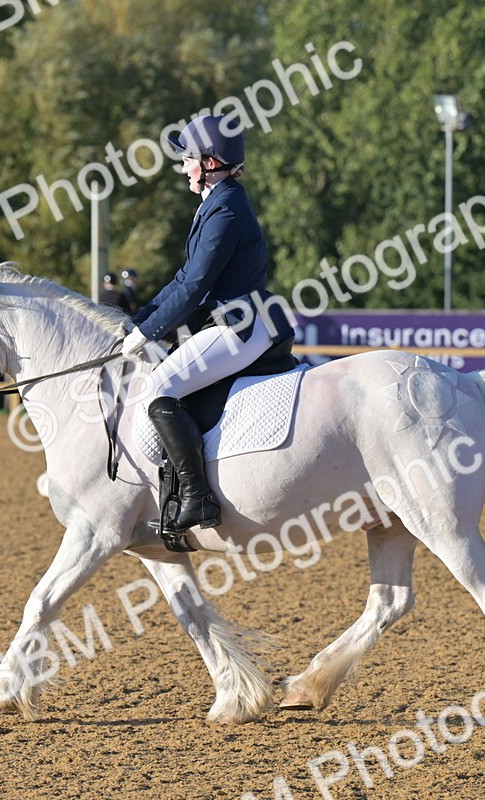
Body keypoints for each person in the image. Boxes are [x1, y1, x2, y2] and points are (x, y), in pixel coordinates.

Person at [121, 114, 294, 533]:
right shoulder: (218, 202)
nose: (183, 167)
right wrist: (137, 321)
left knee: (161, 388)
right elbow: (182, 279)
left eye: (188, 159)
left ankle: (198, 499)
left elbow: (197, 283)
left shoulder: (227, 208)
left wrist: (147, 334)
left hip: (239, 324)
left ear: (211, 161)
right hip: (231, 320)